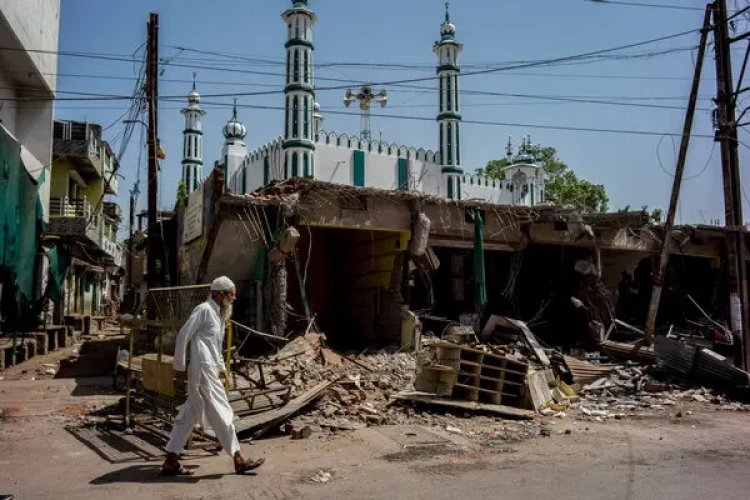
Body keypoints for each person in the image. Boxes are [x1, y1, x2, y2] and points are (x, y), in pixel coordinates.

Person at [161, 276, 264, 476]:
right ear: (218, 293)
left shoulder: (218, 315)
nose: (233, 298)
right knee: (223, 413)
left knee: (189, 414)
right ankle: (238, 459)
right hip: (202, 372)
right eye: (231, 294)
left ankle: (171, 460)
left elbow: (214, 346)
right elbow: (184, 334)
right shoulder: (204, 310)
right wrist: (180, 368)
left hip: (209, 371)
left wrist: (222, 370)